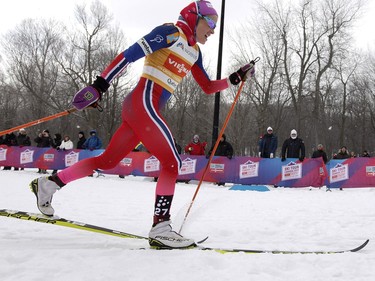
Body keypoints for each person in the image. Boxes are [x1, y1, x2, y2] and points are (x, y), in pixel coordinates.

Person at [29, 1, 255, 249]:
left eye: (216, 25)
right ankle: (161, 227)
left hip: (144, 111)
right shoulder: (170, 32)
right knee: (172, 162)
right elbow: (130, 54)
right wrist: (100, 85)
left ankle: (48, 184)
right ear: (194, 16)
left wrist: (234, 78)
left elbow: (208, 87)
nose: (212, 30)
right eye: (210, 22)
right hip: (142, 103)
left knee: (106, 162)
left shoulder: (194, 52)